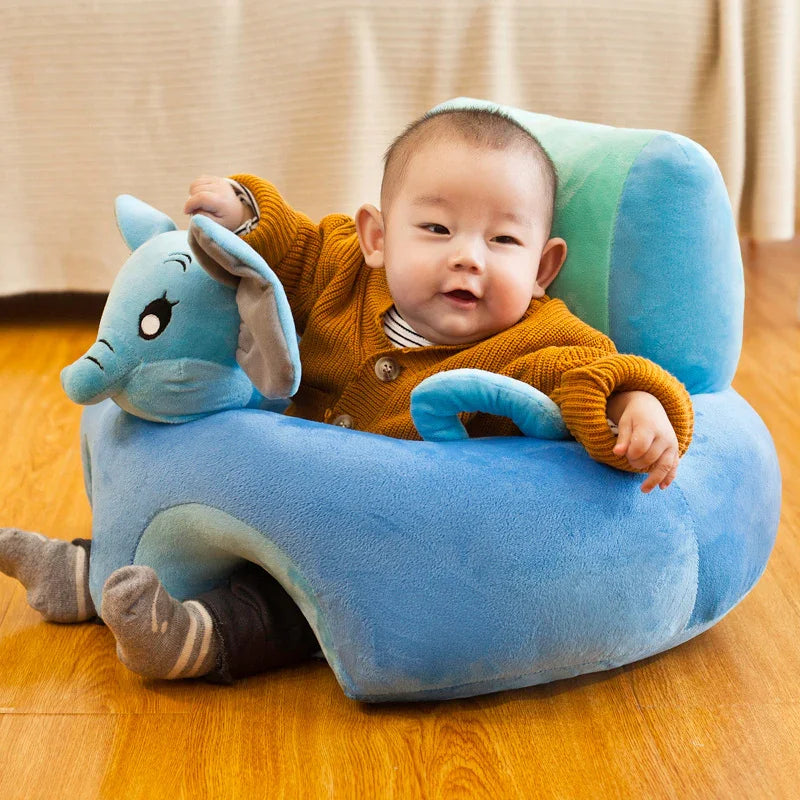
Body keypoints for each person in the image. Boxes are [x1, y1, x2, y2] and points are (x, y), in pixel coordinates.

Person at [0, 107, 693, 683]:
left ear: (543, 268)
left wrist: (635, 407)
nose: (468, 256)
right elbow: (288, 248)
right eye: (437, 228)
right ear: (376, 238)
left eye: (504, 239)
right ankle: (87, 569)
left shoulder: (535, 339)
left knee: (286, 604)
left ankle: (199, 641)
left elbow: (592, 372)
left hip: (370, 544)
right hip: (271, 488)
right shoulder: (339, 269)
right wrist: (244, 212)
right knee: (198, 497)